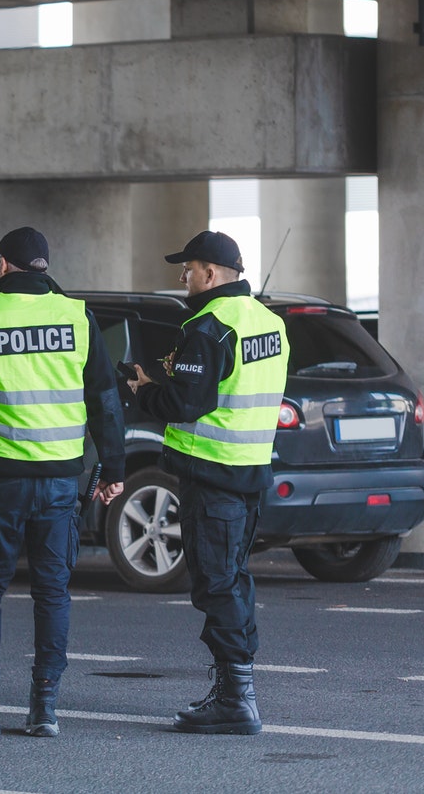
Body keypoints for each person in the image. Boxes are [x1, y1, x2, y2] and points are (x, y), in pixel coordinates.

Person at [0, 226, 126, 738]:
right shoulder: (76, 316)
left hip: (1, 481)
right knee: (53, 592)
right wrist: (114, 470)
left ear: (6, 266)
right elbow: (104, 400)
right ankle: (45, 709)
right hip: (61, 480)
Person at [128, 230, 290, 736]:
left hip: (212, 473)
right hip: (249, 472)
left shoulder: (208, 324)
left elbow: (187, 404)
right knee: (234, 579)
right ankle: (236, 690)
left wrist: (143, 392)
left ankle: (236, 701)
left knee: (216, 583)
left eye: (189, 268)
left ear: (212, 274)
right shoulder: (270, 322)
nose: (183, 276)